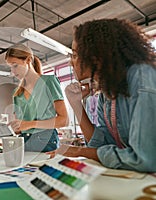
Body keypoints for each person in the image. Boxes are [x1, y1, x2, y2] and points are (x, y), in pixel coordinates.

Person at [47, 18, 156, 172]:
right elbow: (101, 145)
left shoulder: (142, 78)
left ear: (96, 57)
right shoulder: (108, 92)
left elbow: (145, 159)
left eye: (76, 55)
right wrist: (76, 104)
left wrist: (79, 151)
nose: (71, 63)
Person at [5, 44, 69, 152]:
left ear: (28, 60)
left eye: (15, 65)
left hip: (47, 142)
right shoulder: (16, 93)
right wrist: (15, 127)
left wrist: (29, 124)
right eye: (10, 67)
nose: (13, 72)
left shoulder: (49, 82)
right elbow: (20, 129)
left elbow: (64, 120)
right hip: (24, 143)